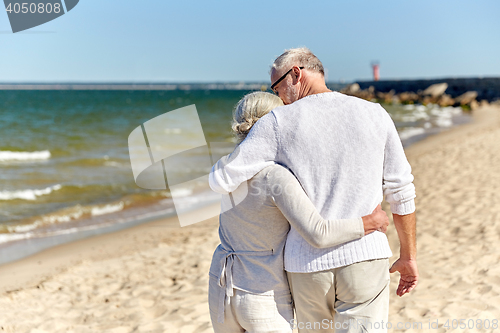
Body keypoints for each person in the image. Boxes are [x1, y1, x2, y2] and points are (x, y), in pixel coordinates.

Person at [209, 48, 418, 333]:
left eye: (277, 85)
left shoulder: (277, 122)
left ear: (296, 73)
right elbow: (401, 189)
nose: (278, 95)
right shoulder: (375, 113)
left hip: (306, 266)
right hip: (365, 255)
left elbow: (223, 179)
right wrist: (408, 257)